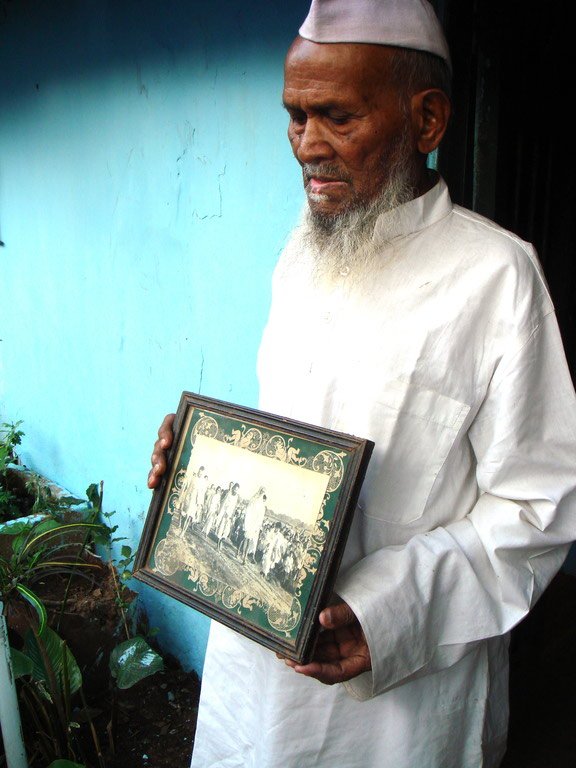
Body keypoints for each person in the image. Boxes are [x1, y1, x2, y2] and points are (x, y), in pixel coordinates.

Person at [147, 1, 576, 765]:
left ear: (429, 119)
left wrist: (388, 611)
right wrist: (203, 466)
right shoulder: (302, 252)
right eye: (295, 117)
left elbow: (537, 511)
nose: (306, 146)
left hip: (400, 702)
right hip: (257, 672)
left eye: (336, 117)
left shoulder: (498, 278)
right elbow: (295, 435)